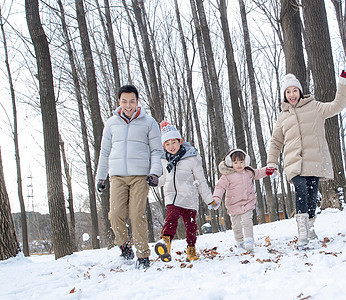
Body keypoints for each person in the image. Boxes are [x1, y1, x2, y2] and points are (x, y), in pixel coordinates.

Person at [266, 71, 346, 246]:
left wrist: (343, 83)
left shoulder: (315, 107)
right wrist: (272, 162)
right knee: (301, 190)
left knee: (312, 195)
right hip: (293, 163)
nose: (291, 95)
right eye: (288, 92)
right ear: (284, 95)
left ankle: (310, 227)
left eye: (294, 91)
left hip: (313, 161)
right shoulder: (283, 117)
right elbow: (275, 141)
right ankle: (302, 232)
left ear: (300, 91)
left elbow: (337, 106)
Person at [96, 85, 163, 268]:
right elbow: (105, 152)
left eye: (132, 101)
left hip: (140, 176)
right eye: (124, 101)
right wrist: (100, 177)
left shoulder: (149, 122)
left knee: (136, 214)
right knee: (115, 214)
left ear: (137, 101)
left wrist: (154, 172)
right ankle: (124, 247)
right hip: (117, 176)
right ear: (119, 102)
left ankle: (143, 255)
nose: (128, 105)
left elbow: (157, 151)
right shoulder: (111, 123)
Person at [154, 121, 215, 262]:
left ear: (180, 141)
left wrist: (208, 199)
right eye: (167, 144)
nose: (171, 146)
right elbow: (163, 179)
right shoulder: (163, 160)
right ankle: (165, 243)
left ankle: (191, 249)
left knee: (191, 226)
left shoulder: (191, 158)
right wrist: (155, 181)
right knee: (171, 218)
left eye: (173, 142)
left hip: (189, 198)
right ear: (164, 146)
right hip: (172, 197)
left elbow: (201, 181)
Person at [212, 149, 276, 252]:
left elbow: (259, 172)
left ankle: (249, 241)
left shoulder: (249, 172)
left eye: (241, 162)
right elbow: (220, 187)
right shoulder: (227, 176)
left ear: (245, 161)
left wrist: (269, 170)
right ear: (230, 163)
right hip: (233, 205)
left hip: (247, 202)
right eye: (235, 162)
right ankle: (240, 242)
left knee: (247, 221)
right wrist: (216, 199)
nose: (239, 165)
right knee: (236, 226)